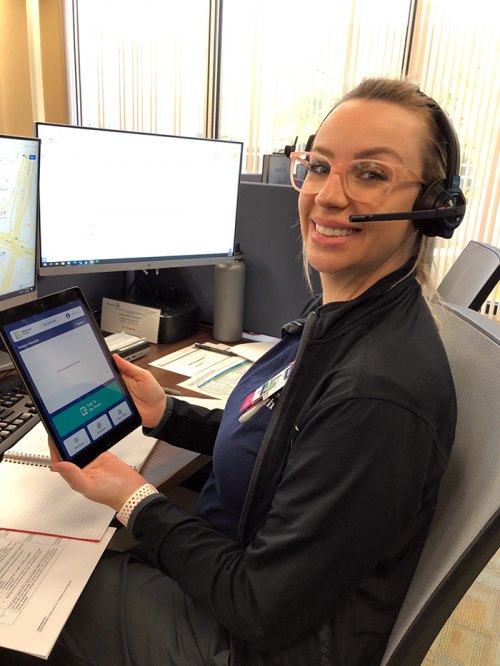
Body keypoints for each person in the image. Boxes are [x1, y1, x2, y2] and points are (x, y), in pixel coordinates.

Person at [2, 77, 464, 666]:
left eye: (370, 173)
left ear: (433, 207)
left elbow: (261, 607)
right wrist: (168, 414)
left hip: (248, 641)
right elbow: (285, 440)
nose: (327, 195)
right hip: (239, 575)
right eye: (319, 166)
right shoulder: (348, 318)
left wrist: (136, 499)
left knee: (31, 588)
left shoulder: (377, 392)